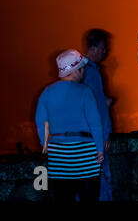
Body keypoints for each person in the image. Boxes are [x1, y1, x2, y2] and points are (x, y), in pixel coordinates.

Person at [35, 49, 104, 201]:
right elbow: (95, 123)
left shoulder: (47, 92)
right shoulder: (85, 92)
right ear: (76, 70)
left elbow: (41, 122)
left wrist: (45, 144)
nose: (84, 70)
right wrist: (100, 148)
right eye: (82, 67)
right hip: (86, 159)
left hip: (59, 159)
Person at [83, 28, 114, 201]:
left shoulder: (81, 70)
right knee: (101, 182)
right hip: (95, 140)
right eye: (103, 47)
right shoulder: (91, 72)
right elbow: (96, 108)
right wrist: (103, 136)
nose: (105, 51)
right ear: (93, 48)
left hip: (86, 138)